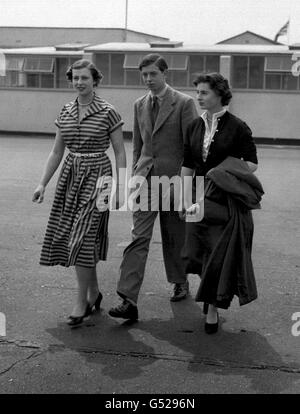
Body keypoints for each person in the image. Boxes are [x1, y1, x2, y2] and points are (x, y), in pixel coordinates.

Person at [32, 59, 126, 326]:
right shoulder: (66, 111)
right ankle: (94, 292)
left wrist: (121, 185)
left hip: (100, 176)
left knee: (82, 238)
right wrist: (42, 184)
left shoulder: (108, 111)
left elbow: (119, 151)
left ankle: (81, 301)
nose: (79, 82)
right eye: (75, 78)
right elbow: (56, 151)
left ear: (95, 80)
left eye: (85, 78)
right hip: (71, 176)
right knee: (76, 238)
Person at [108, 53, 198, 320]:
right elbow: (138, 146)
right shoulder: (139, 104)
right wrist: (135, 176)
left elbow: (192, 149)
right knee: (138, 238)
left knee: (175, 236)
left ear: (164, 74)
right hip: (145, 180)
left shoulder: (184, 103)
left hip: (175, 180)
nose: (148, 79)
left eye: (153, 74)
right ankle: (128, 299)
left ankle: (180, 281)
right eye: (144, 74)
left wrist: (183, 185)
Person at [181, 72, 264, 334]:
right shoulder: (194, 126)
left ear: (219, 94)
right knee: (199, 251)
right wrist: (184, 200)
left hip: (225, 200)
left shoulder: (238, 126)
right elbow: (187, 165)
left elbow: (252, 163)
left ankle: (213, 308)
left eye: (204, 92)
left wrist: (223, 171)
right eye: (197, 92)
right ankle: (209, 296)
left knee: (218, 253)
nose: (199, 97)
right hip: (197, 198)